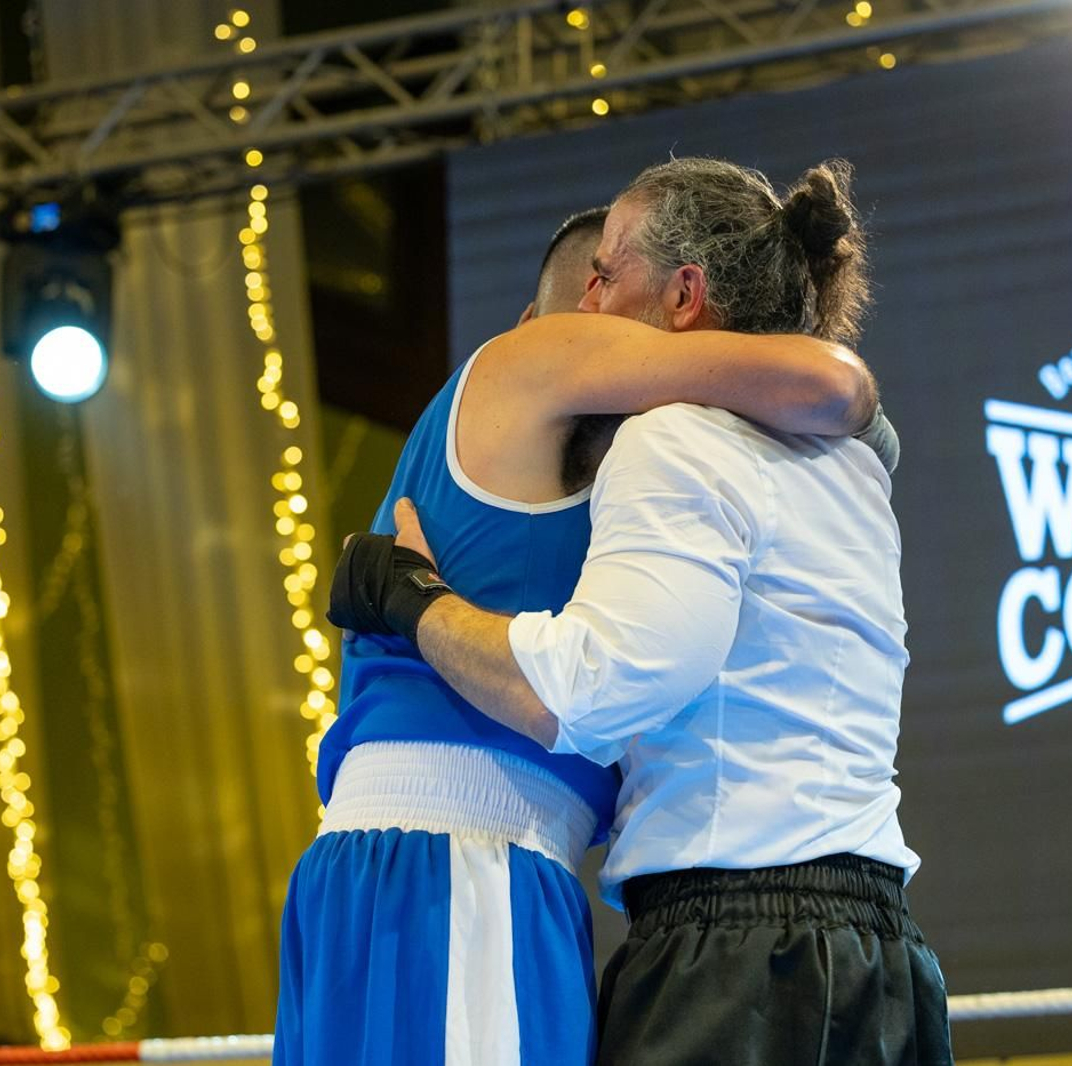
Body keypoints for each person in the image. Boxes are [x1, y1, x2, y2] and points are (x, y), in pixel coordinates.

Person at [329, 158, 953, 1065]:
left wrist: (415, 603)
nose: (584, 300)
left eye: (608, 273)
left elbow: (593, 690)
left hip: (735, 950)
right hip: (882, 956)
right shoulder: (854, 467)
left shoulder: (673, 433)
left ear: (685, 294)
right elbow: (848, 399)